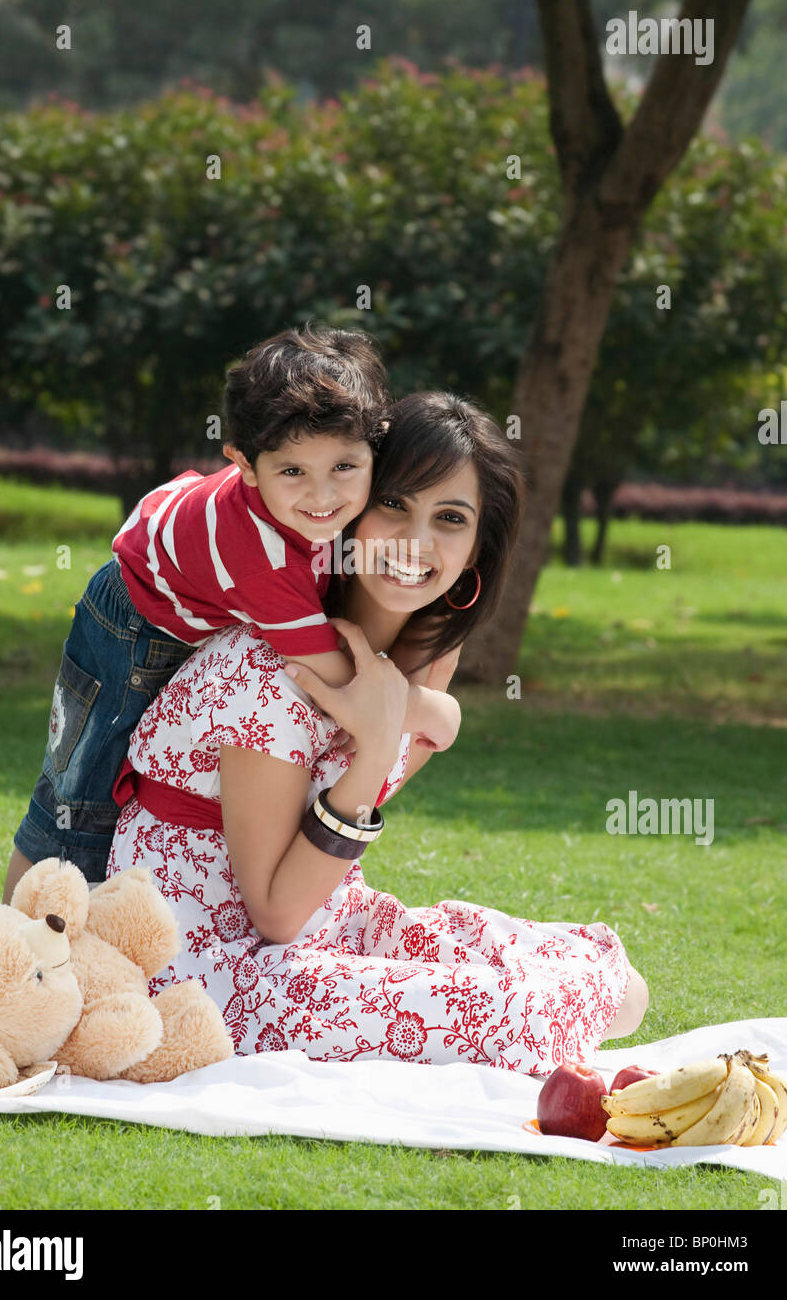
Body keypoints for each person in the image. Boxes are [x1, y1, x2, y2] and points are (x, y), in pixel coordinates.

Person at [106, 391, 648, 1073]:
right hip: (209, 971)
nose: (416, 544)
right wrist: (376, 743)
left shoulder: (427, 656)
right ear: (352, 509)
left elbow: (311, 892)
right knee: (522, 1017)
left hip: (324, 920)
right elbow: (274, 911)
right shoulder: (271, 669)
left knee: (617, 981)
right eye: (396, 504)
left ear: (478, 547)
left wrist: (418, 711)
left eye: (450, 518)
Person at [2, 324, 454, 899]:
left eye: (344, 467)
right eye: (293, 472)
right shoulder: (260, 559)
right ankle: (17, 944)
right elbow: (324, 674)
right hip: (132, 627)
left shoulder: (297, 520)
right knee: (77, 796)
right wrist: (429, 714)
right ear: (243, 463)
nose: (323, 497)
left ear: (375, 446)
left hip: (182, 586)